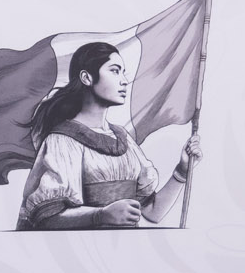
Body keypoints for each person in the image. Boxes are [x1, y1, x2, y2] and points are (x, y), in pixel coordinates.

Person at [16, 41, 201, 230]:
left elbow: (153, 212)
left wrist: (182, 171)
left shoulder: (124, 139)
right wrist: (101, 215)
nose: (124, 80)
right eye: (114, 70)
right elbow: (47, 219)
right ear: (86, 78)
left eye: (123, 72)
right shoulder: (62, 141)